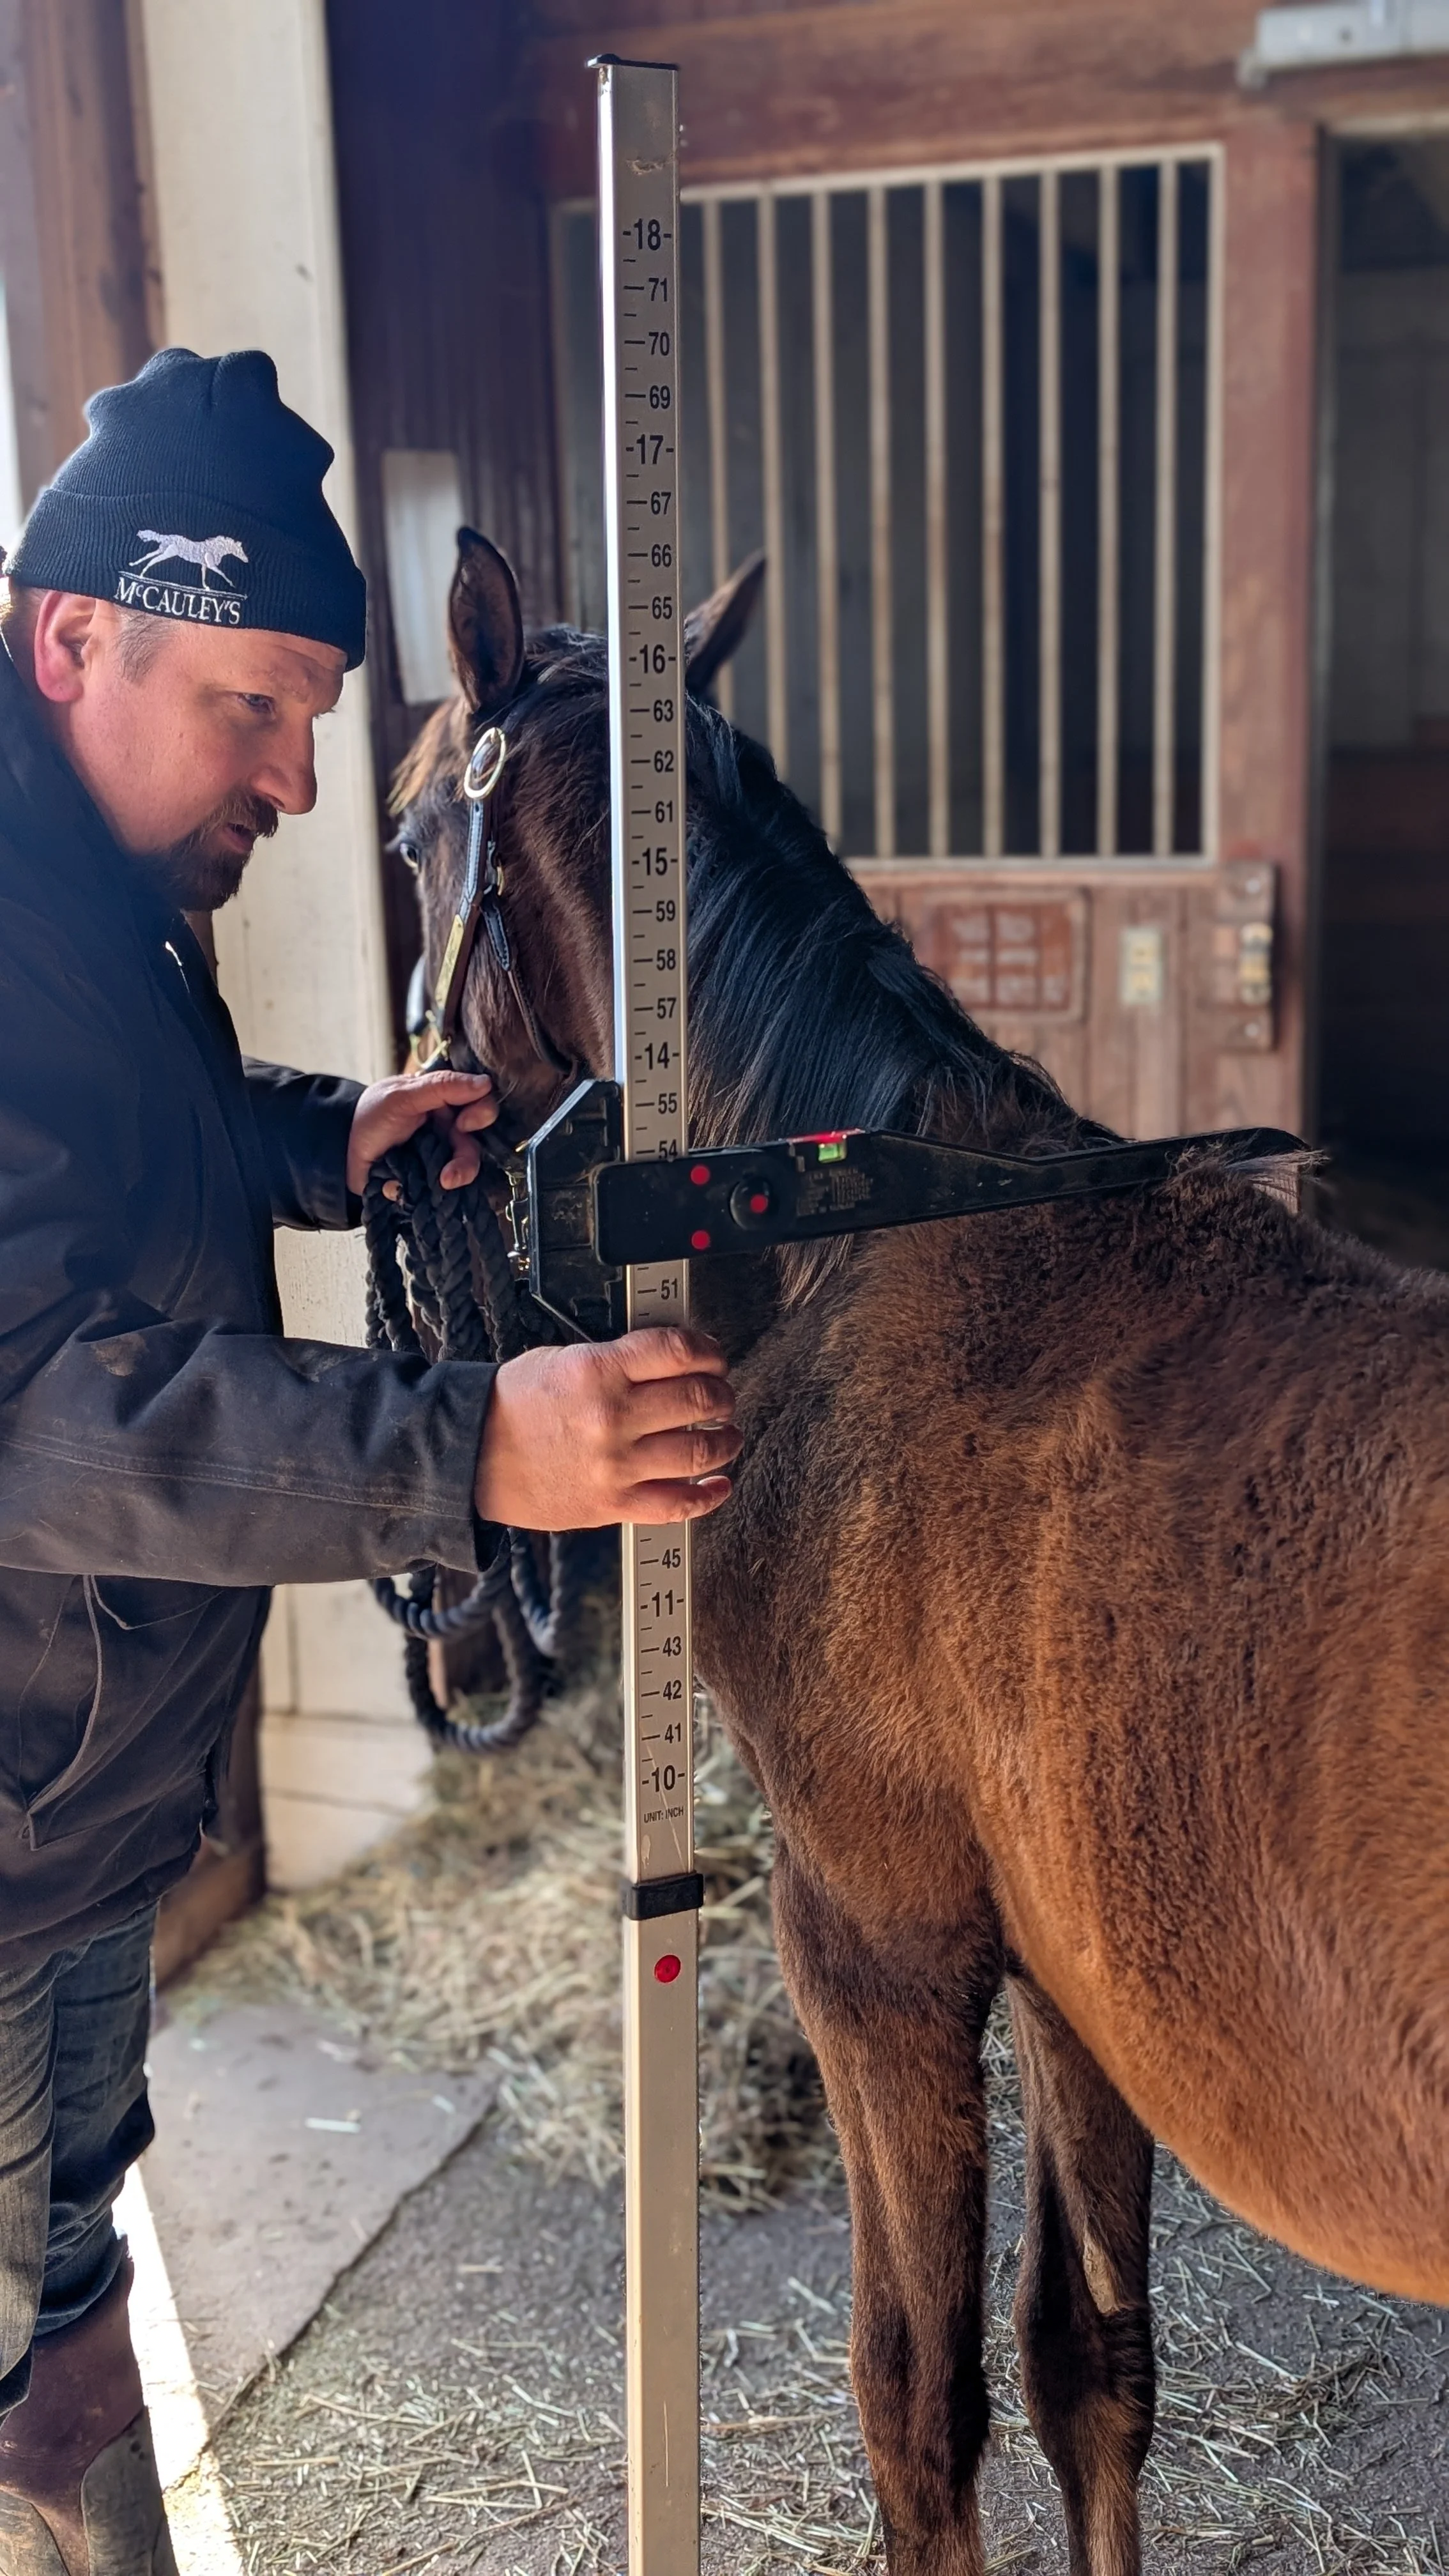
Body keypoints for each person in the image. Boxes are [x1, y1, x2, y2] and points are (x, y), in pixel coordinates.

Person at [0, 347, 740, 2576]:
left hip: (79, 1787)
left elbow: (94, 1152)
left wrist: (316, 1137)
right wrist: (461, 1452)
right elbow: (36, 1408)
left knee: (66, 2279)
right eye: (255, 705)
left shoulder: (91, 899)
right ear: (72, 639)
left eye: (315, 716)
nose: (300, 782)